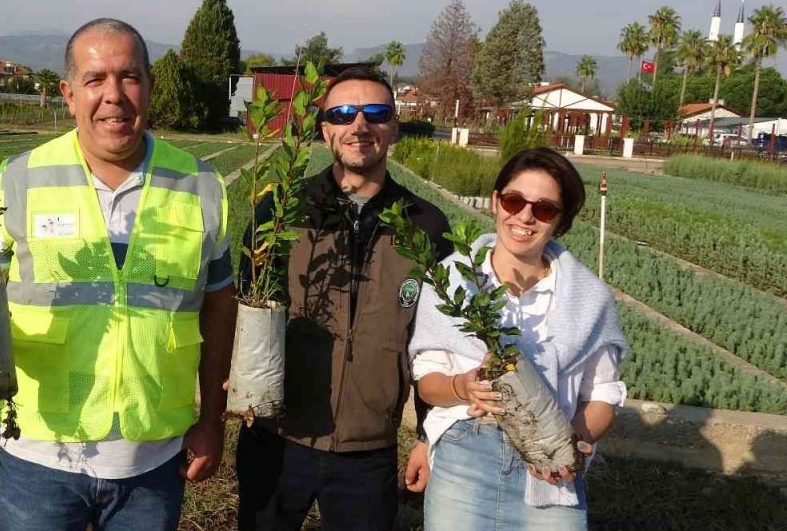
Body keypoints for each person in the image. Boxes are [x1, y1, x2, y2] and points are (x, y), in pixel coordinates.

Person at [0, 18, 237, 530]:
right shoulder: (16, 179)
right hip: (38, 451)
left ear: (150, 85)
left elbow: (219, 305)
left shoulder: (200, 184)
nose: (114, 96)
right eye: (95, 79)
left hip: (152, 455)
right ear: (68, 93)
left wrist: (211, 419)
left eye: (130, 77)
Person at [236, 65, 451, 531]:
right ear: (324, 129)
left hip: (368, 449)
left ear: (394, 126)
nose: (359, 125)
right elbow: (243, 310)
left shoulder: (426, 226)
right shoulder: (281, 211)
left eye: (375, 112)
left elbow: (440, 345)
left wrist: (429, 437)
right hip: (276, 436)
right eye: (343, 113)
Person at [409, 147, 631, 530]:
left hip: (549, 469)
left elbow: (602, 395)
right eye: (514, 200)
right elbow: (429, 383)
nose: (525, 216)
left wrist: (566, 447)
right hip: (465, 456)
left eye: (544, 209)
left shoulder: (590, 298)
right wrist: (463, 387)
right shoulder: (450, 282)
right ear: (496, 201)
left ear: (560, 222)